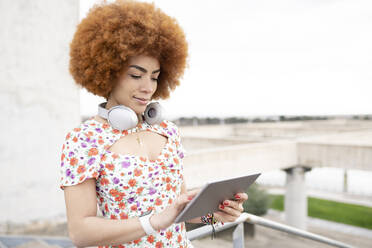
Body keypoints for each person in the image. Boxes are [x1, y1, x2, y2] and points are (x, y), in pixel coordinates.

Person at [59, 0, 248, 247]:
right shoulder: (83, 140)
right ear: (107, 70)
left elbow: (177, 213)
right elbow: (80, 232)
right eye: (136, 75)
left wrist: (215, 213)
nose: (147, 88)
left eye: (155, 77)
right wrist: (153, 221)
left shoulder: (168, 132)